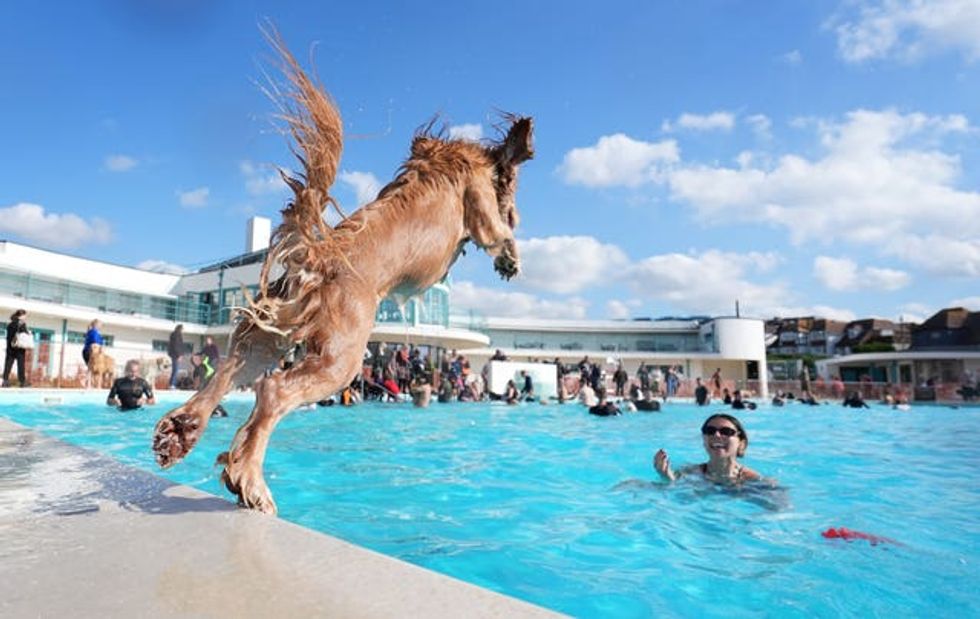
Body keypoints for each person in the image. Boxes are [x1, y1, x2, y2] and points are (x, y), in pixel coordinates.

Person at [653, 413, 763, 484]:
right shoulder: (690, 473)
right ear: (704, 440)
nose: (717, 435)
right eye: (710, 431)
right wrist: (666, 477)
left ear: (741, 444)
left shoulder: (752, 480)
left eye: (726, 432)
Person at [3, 309, 30, 387]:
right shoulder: (21, 324)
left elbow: (9, 337)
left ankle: (5, 381)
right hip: (19, 348)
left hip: (10, 348)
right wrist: (28, 331)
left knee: (8, 364)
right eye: (25, 315)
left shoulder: (10, 324)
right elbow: (25, 334)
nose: (25, 317)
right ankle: (22, 382)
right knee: (21, 365)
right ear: (21, 316)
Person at [167, 324, 185, 389]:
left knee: (174, 369)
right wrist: (179, 355)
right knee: (176, 370)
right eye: (182, 329)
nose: (183, 330)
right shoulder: (177, 335)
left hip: (173, 354)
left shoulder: (173, 334)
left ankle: (171, 384)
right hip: (176, 355)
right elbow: (177, 346)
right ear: (180, 329)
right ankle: (172, 384)